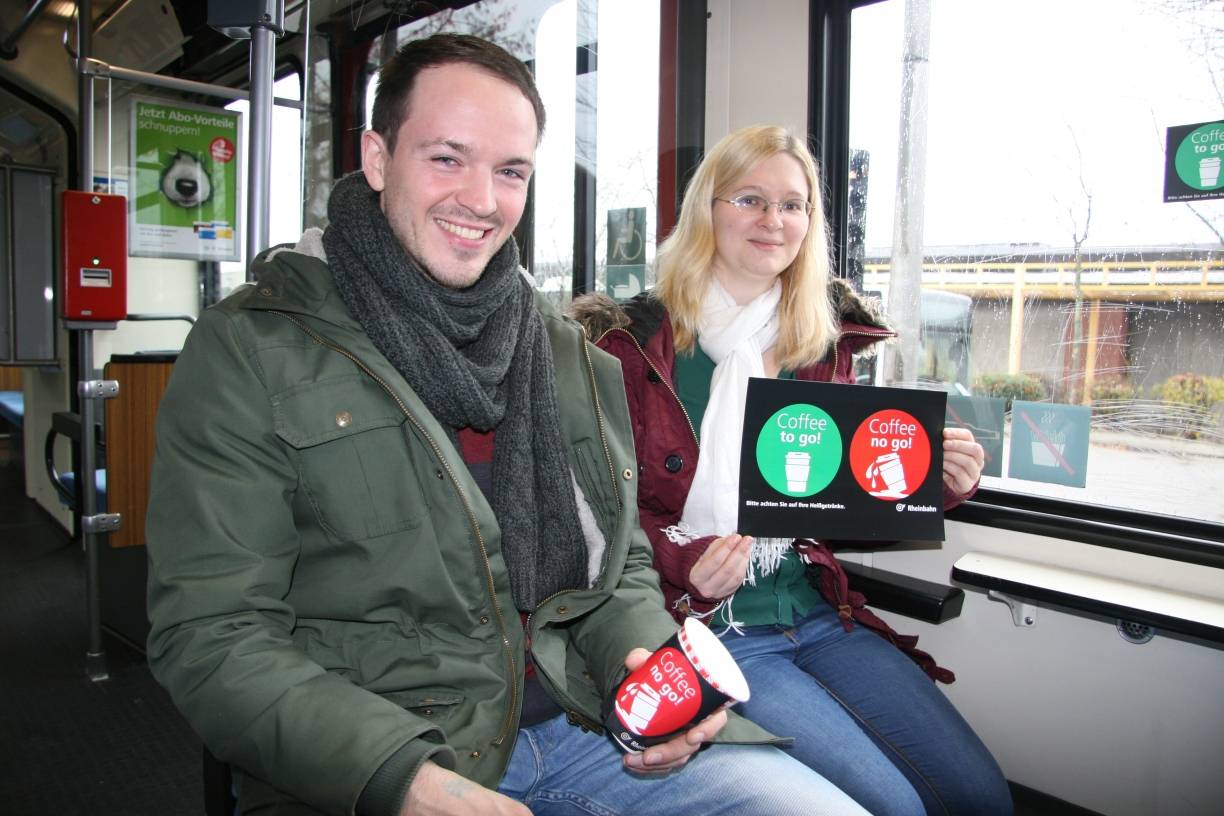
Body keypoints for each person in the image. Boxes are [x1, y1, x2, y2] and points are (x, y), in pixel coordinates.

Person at [145, 36, 870, 816]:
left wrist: (639, 659)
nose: (483, 200)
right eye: (447, 159)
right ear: (378, 158)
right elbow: (214, 633)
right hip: (386, 756)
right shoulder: (253, 349)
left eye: (511, 171)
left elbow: (615, 565)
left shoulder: (558, 349)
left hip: (582, 720)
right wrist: (402, 780)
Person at [571, 125, 1014, 816]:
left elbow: (841, 484)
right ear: (707, 211)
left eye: (793, 204)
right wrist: (684, 561)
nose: (773, 221)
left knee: (980, 795)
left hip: (814, 609)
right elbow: (602, 517)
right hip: (708, 628)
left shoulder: (819, 343)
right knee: (897, 806)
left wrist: (940, 480)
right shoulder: (630, 348)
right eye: (749, 199)